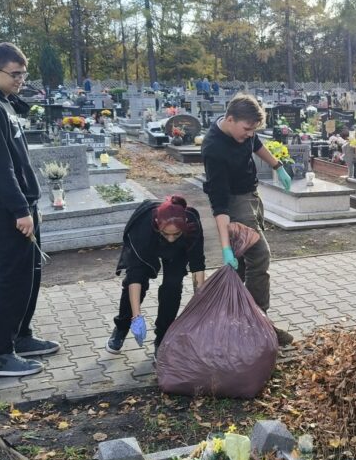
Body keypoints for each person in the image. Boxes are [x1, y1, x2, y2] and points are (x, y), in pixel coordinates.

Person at [0, 42, 58, 377]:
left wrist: (30, 206)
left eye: (24, 73)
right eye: (15, 74)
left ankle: (20, 336)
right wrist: (20, 210)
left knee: (29, 275)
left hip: (23, 205)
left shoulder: (2, 103)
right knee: (12, 279)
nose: (21, 79)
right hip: (6, 209)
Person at [200, 93, 294, 346]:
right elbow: (218, 204)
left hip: (251, 196)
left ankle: (232, 321)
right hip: (233, 203)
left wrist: (278, 166)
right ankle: (259, 320)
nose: (250, 134)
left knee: (241, 266)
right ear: (230, 120)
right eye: (247, 129)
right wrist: (225, 248)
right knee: (260, 255)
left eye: (254, 129)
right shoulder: (214, 149)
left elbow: (256, 145)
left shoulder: (242, 130)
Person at [106, 195, 206, 355]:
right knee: (136, 280)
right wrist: (136, 317)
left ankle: (162, 338)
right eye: (167, 234)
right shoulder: (143, 228)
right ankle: (121, 327)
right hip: (151, 242)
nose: (171, 239)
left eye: (176, 234)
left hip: (178, 251)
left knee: (173, 286)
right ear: (158, 226)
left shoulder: (191, 224)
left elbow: (198, 264)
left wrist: (200, 303)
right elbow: (135, 276)